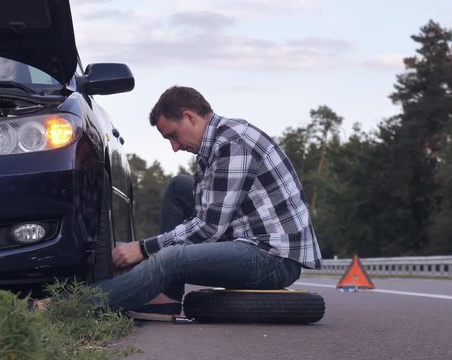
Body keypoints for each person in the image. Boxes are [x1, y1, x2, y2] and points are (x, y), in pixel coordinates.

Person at [94, 85, 322, 320]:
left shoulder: (233, 143)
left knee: (170, 259)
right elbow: (204, 216)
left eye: (172, 135)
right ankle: (168, 297)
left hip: (273, 258)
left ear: (189, 117)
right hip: (245, 239)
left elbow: (209, 228)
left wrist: (143, 249)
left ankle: (78, 305)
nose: (174, 147)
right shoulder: (210, 149)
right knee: (179, 187)